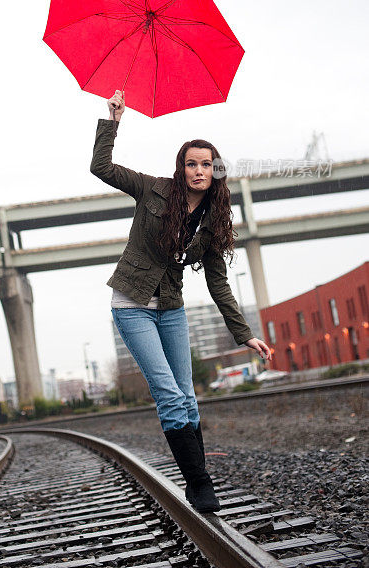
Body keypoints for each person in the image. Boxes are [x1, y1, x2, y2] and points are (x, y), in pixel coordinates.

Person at [90, 89, 272, 514]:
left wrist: (243, 334)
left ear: (216, 170)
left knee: (188, 397)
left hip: (170, 308)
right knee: (170, 396)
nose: (198, 170)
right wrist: (113, 121)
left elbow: (219, 283)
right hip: (132, 305)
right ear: (181, 167)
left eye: (206, 164)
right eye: (191, 163)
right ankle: (199, 481)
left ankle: (197, 477)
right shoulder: (153, 190)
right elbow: (101, 167)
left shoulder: (213, 222)